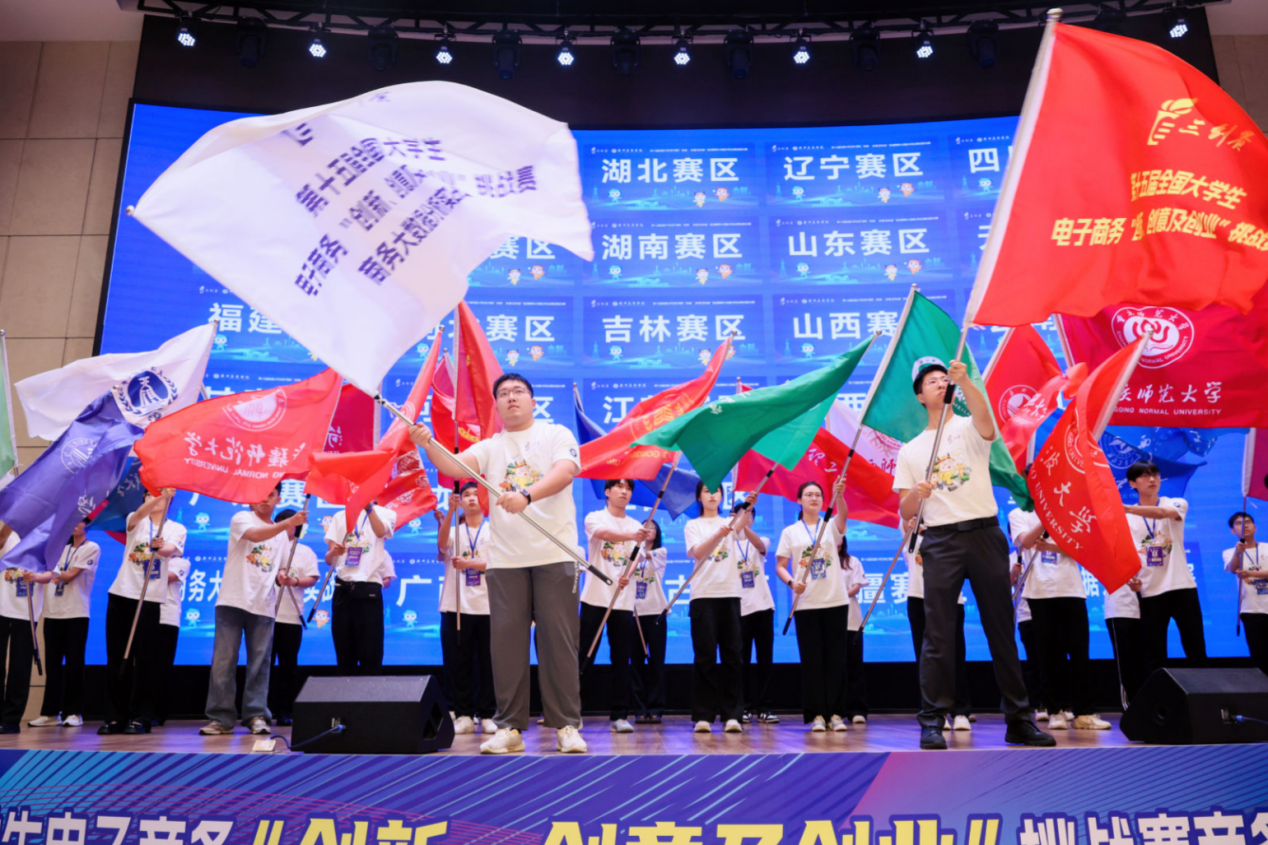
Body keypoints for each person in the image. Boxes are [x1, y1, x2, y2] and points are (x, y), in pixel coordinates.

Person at [410, 372, 588, 755]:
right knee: (506, 646)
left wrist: (526, 495)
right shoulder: (491, 446)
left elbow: (565, 472)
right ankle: (509, 728)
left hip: (555, 555)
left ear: (533, 401)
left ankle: (566, 726)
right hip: (506, 561)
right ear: (496, 405)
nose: (511, 397)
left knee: (558, 643)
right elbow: (454, 466)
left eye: (518, 391)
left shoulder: (555, 434)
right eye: (503, 393)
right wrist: (428, 445)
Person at [894, 361, 1052, 749]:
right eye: (931, 381)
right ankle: (933, 721)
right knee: (938, 635)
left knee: (1001, 630)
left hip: (984, 533)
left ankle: (1019, 720)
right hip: (940, 541)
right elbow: (905, 509)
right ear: (920, 396)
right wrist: (916, 493)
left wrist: (964, 381)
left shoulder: (968, 427)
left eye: (943, 379)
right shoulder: (911, 450)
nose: (939, 383)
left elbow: (985, 419)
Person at [201, 485, 307, 736]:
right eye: (259, 493)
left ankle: (256, 715)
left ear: (278, 498)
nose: (264, 499)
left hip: (264, 605)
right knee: (223, 662)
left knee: (259, 665)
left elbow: (279, 566)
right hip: (232, 600)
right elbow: (256, 536)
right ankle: (220, 717)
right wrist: (288, 523)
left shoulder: (282, 536)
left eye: (270, 494)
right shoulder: (242, 518)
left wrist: (283, 575)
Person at [1010, 498, 1110, 730]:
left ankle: (1084, 713)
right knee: (1047, 655)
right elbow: (1026, 541)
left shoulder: (1071, 512)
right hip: (1039, 591)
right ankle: (1055, 710)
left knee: (1079, 652)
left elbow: (1082, 549)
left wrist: (1051, 546)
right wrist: (1046, 518)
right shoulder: (1018, 514)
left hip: (1071, 589)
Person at [103, 488, 185, 735]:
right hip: (122, 594)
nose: (153, 498)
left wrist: (160, 547)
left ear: (170, 500)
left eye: (158, 495)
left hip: (150, 598)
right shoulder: (135, 520)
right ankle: (115, 717)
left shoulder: (177, 528)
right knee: (117, 657)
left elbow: (170, 550)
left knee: (146, 661)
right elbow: (138, 514)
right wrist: (159, 496)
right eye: (149, 494)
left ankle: (141, 717)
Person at [684, 483, 759, 734]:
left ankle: (732, 715)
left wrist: (749, 505)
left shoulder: (731, 522)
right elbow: (697, 552)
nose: (712, 495)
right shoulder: (693, 525)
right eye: (707, 491)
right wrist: (718, 534)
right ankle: (703, 716)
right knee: (705, 657)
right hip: (703, 595)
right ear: (699, 496)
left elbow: (742, 523)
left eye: (716, 491)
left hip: (730, 594)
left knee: (733, 657)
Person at [776, 477, 850, 732]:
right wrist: (791, 583)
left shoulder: (829, 525)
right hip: (806, 603)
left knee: (836, 659)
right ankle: (817, 714)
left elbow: (843, 518)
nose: (814, 498)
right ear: (799, 500)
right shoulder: (790, 531)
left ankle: (836, 714)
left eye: (818, 494)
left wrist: (840, 495)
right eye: (808, 494)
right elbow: (780, 566)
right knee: (812, 660)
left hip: (835, 600)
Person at [581, 479, 654, 733]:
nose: (624, 491)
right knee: (584, 655)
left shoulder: (636, 525)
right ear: (607, 491)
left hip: (622, 602)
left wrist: (628, 574)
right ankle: (572, 712)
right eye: (619, 487)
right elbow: (604, 534)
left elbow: (637, 557)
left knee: (621, 659)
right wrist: (632, 536)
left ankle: (620, 715)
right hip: (594, 598)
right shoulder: (595, 517)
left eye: (629, 488)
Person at [1124, 461, 1207, 676]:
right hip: (1150, 590)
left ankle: (1205, 695)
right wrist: (1130, 577)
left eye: (1155, 475)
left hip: (1182, 586)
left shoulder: (1176, 502)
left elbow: (1162, 513)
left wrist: (1128, 508)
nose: (1152, 479)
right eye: (1145, 476)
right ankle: (1159, 696)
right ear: (1132, 483)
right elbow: (1127, 552)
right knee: (1154, 654)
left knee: (1196, 648)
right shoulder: (1125, 519)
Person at [437, 482, 496, 736]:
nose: (472, 498)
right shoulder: (454, 529)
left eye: (476, 494)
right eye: (466, 495)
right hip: (456, 607)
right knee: (458, 663)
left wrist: (470, 563)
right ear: (460, 501)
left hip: (488, 607)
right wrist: (450, 512)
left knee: (488, 664)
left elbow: (498, 564)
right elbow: (442, 545)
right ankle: (463, 715)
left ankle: (487, 714)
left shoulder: (494, 530)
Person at [904, 520, 974, 731]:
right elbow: (905, 516)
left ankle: (960, 711)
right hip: (918, 597)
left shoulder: (947, 526)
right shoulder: (910, 525)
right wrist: (915, 526)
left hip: (950, 597)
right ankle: (934, 712)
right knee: (926, 658)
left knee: (955, 655)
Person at [30, 519, 99, 728]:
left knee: (74, 664)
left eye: (80, 521)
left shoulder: (91, 548)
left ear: (88, 525)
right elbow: (45, 574)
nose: (74, 525)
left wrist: (48, 574)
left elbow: (69, 576)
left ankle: (74, 712)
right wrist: (34, 576)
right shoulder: (60, 549)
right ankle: (50, 713)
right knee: (52, 665)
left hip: (76, 612)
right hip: (52, 612)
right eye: (71, 521)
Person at [323, 500, 396, 675]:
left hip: (368, 588)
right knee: (343, 649)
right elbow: (328, 559)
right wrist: (334, 552)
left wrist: (368, 507)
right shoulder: (340, 516)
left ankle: (371, 691)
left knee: (370, 651)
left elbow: (380, 531)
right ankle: (345, 690)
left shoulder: (385, 513)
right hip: (343, 587)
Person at [0, 524, 54, 733]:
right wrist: (11, 521)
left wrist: (37, 577)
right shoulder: (9, 533)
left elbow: (50, 573)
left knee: (20, 667)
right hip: (2, 607)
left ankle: (11, 720)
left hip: (26, 613)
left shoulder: (47, 538)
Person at [269, 508, 320, 726]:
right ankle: (261, 710)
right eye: (282, 522)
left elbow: (313, 578)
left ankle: (284, 711)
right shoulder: (267, 546)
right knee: (263, 666)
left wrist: (294, 581)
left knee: (288, 667)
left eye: (290, 523)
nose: (286, 527)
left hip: (291, 617)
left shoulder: (304, 551)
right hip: (265, 614)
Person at [737, 504, 776, 725]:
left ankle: (765, 708)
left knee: (765, 660)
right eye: (741, 514)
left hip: (763, 607)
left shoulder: (761, 540)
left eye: (749, 514)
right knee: (741, 662)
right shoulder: (728, 544)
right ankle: (744, 707)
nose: (746, 517)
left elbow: (760, 546)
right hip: (739, 609)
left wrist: (743, 525)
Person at [631, 521, 668, 724]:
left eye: (652, 526)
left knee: (656, 663)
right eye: (645, 526)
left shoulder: (660, 552)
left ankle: (655, 708)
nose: (648, 529)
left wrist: (633, 550)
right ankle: (639, 709)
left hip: (656, 613)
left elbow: (643, 556)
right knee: (635, 663)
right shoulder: (632, 553)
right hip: (634, 613)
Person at [1224, 511, 1268, 675]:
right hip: (1251, 610)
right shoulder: (1230, 552)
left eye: (1248, 522)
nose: (1244, 525)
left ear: (1255, 527)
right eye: (1238, 523)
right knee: (1259, 656)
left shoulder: (1266, 547)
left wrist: (1250, 573)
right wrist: (1238, 552)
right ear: (1232, 530)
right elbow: (1232, 568)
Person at [154, 555, 190, 726]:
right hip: (145, 615)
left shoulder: (181, 562)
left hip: (167, 617)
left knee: (161, 668)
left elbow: (167, 577)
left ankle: (157, 712)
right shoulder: (150, 557)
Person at [1104, 572, 1145, 705]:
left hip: (1141, 608)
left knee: (1141, 663)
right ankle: (1130, 706)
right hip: (1119, 610)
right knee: (1125, 663)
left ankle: (1143, 704)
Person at [841, 537, 868, 725]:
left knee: (854, 666)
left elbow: (856, 587)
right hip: (830, 621)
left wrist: (837, 595)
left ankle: (857, 709)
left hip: (851, 620)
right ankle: (837, 710)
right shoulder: (821, 561)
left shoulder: (853, 561)